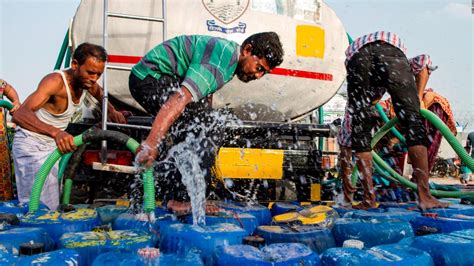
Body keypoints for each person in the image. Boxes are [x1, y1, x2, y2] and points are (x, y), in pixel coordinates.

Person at [129, 33, 284, 213]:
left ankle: (173, 193)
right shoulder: (219, 65)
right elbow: (178, 99)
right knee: (203, 129)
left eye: (263, 72)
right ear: (247, 50)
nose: (258, 76)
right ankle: (179, 199)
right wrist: (151, 143)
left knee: (203, 124)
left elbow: (203, 96)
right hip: (149, 78)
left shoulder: (227, 54)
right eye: (259, 67)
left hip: (152, 76)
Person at [12, 43, 126, 210]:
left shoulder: (88, 82)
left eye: (98, 74)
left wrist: (112, 112)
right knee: (36, 206)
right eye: (90, 72)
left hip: (51, 146)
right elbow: (20, 114)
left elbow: (100, 94)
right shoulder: (55, 82)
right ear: (75, 65)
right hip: (31, 145)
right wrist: (56, 133)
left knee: (50, 204)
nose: (94, 78)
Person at [342, 31, 448, 210]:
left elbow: (347, 136)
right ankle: (425, 197)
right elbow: (424, 62)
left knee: (361, 133)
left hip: (357, 59)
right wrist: (417, 100)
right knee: (414, 125)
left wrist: (345, 174)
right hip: (392, 54)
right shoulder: (397, 61)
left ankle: (369, 199)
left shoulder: (356, 71)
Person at [0, 79, 21, 200]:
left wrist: (16, 102)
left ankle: (4, 201)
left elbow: (9, 90)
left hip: (1, 140)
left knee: (3, 169)